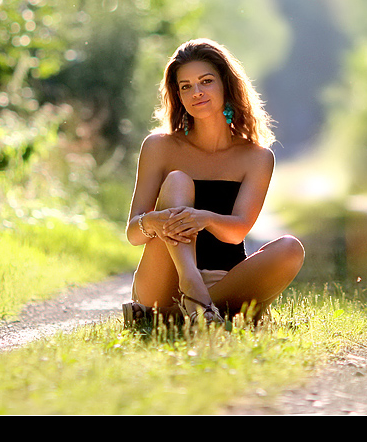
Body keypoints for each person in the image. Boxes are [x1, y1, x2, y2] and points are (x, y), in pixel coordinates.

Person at [123, 39, 305, 327]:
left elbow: (237, 232)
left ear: (226, 86)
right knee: (178, 181)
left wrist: (204, 218)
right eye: (186, 86)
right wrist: (154, 221)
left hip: (222, 280)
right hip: (163, 281)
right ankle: (192, 291)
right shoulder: (159, 147)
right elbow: (133, 234)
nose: (196, 92)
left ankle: (177, 316)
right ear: (178, 96)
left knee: (290, 248)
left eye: (206, 81)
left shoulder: (256, 157)